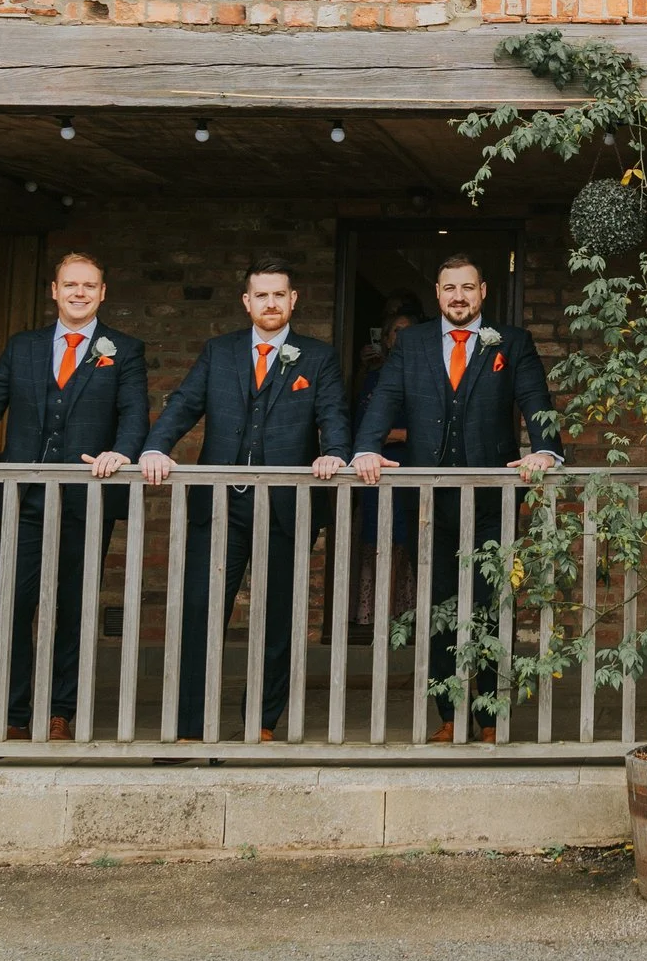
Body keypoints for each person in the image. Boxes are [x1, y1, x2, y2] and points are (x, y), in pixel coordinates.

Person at [325, 254, 557, 744]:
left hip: (493, 502)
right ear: (437, 293)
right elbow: (385, 397)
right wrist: (366, 448)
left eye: (467, 288)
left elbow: (536, 400)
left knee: (491, 607)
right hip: (428, 503)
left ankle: (492, 718)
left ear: (483, 291)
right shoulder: (412, 343)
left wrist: (545, 452)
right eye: (449, 288)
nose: (458, 297)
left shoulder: (511, 343)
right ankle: (450, 717)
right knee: (437, 609)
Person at [136, 259, 349, 742]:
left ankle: (261, 723)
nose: (270, 303)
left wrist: (335, 454)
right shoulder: (220, 351)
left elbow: (333, 413)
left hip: (284, 508)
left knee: (277, 620)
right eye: (261, 295)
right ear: (246, 302)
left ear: (293, 300)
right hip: (219, 507)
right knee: (200, 612)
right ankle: (192, 726)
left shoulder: (316, 357)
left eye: (279, 295)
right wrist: (154, 447)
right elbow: (186, 403)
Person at [0, 251, 148, 742]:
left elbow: (134, 415)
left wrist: (120, 454)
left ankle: (60, 711)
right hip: (23, 499)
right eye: (70, 285)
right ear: (54, 291)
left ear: (102, 293)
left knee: (73, 609)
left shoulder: (124, 349)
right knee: (12, 604)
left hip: (87, 499)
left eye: (89, 286)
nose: (79, 293)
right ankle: (14, 715)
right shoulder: (24, 347)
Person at [345, 295, 422, 628]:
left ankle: (406, 616)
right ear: (387, 339)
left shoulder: (422, 377)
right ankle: (376, 615)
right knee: (380, 538)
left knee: (412, 539)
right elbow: (361, 426)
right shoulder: (375, 377)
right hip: (377, 468)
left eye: (409, 332)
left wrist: (403, 436)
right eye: (396, 332)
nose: (401, 338)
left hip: (412, 466)